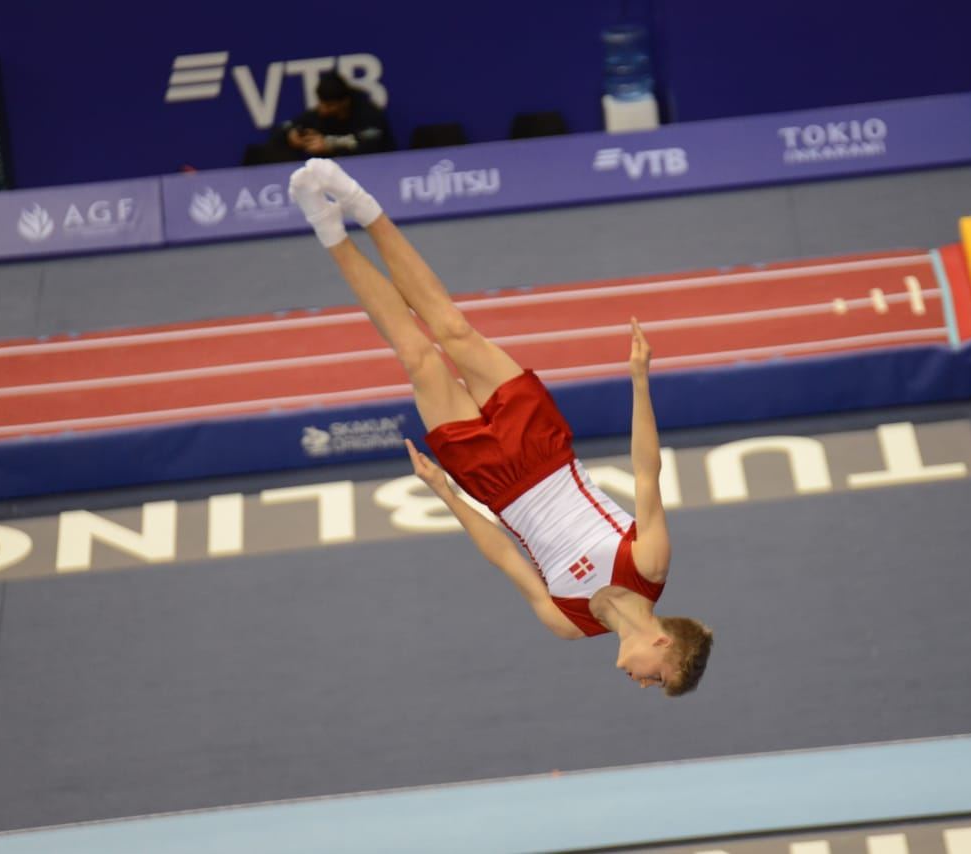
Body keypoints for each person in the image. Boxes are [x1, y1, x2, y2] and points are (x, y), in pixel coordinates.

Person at [288, 158, 713, 695]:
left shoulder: (567, 622)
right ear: (664, 644)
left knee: (417, 356)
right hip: (543, 447)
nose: (645, 684)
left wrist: (445, 493)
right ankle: (362, 207)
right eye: (660, 679)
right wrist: (639, 378)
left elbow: (505, 553)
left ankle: (328, 229)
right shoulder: (649, 565)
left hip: (494, 485)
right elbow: (646, 470)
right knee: (453, 330)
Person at [243, 73, 394, 165]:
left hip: (375, 172)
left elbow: (372, 145)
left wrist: (330, 145)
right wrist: (291, 135)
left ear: (344, 102)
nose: (323, 110)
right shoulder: (320, 115)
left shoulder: (368, 113)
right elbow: (281, 129)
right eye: (321, 104)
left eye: (329, 105)